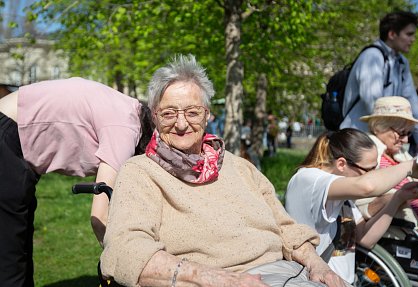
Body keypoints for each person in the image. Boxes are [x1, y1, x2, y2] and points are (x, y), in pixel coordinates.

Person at [100, 54, 349, 287]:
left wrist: (318, 265)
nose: (181, 123)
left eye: (192, 112)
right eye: (169, 113)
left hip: (287, 274)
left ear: (207, 115)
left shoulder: (240, 167)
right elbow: (126, 250)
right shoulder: (140, 172)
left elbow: (286, 228)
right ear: (154, 117)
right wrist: (221, 279)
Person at [0, 77, 153, 287]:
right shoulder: (126, 128)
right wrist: (123, 263)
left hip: (15, 136)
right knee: (10, 250)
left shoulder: (128, 110)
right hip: (7, 131)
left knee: (18, 239)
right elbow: (100, 217)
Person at [285, 128, 418, 283]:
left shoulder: (342, 193)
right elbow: (367, 187)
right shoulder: (308, 180)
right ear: (341, 164)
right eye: (369, 169)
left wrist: (398, 198)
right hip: (312, 281)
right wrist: (411, 167)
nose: (374, 174)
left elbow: (365, 238)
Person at [340, 11, 418, 145]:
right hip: (356, 139)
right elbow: (372, 104)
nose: (413, 39)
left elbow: (412, 106)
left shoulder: (402, 62)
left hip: (384, 138)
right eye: (409, 34)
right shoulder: (372, 56)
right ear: (392, 34)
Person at [356, 96, 418, 228]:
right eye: (401, 133)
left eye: (409, 133)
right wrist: (401, 197)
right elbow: (361, 208)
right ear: (379, 127)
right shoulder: (367, 157)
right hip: (396, 239)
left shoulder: (402, 156)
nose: (406, 140)